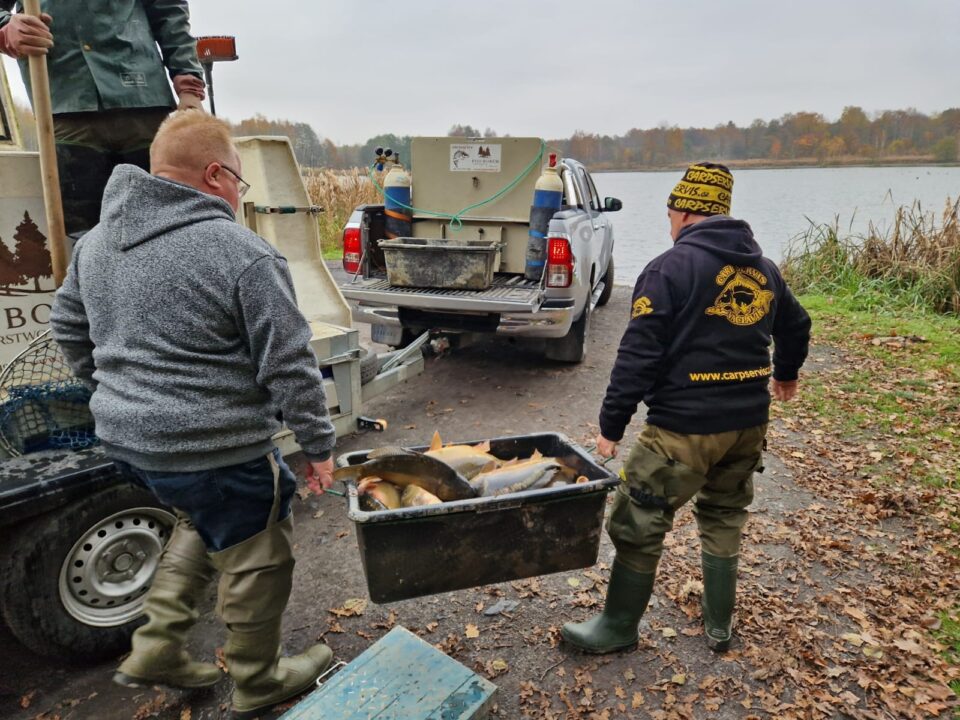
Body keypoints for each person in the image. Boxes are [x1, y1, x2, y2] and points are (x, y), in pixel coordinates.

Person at [49, 111, 337, 720]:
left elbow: (68, 328)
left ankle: (155, 647)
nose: (239, 194)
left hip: (135, 446)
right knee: (258, 554)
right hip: (221, 448)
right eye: (239, 181)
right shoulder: (243, 253)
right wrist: (318, 447)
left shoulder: (96, 243)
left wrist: (119, 393)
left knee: (200, 522)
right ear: (215, 175)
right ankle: (260, 677)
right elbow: (290, 366)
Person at [562, 162, 811, 654]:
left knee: (638, 520)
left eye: (670, 212)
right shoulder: (763, 269)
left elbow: (638, 356)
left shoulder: (667, 269)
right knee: (722, 514)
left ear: (686, 211)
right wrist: (785, 374)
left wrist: (612, 425)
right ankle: (719, 627)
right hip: (746, 425)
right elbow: (797, 324)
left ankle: (616, 628)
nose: (668, 222)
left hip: (682, 431)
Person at [0, 0, 206, 235]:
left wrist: (188, 83)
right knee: (87, 235)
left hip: (143, 103)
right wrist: (6, 27)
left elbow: (168, 10)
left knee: (168, 225)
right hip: (68, 107)